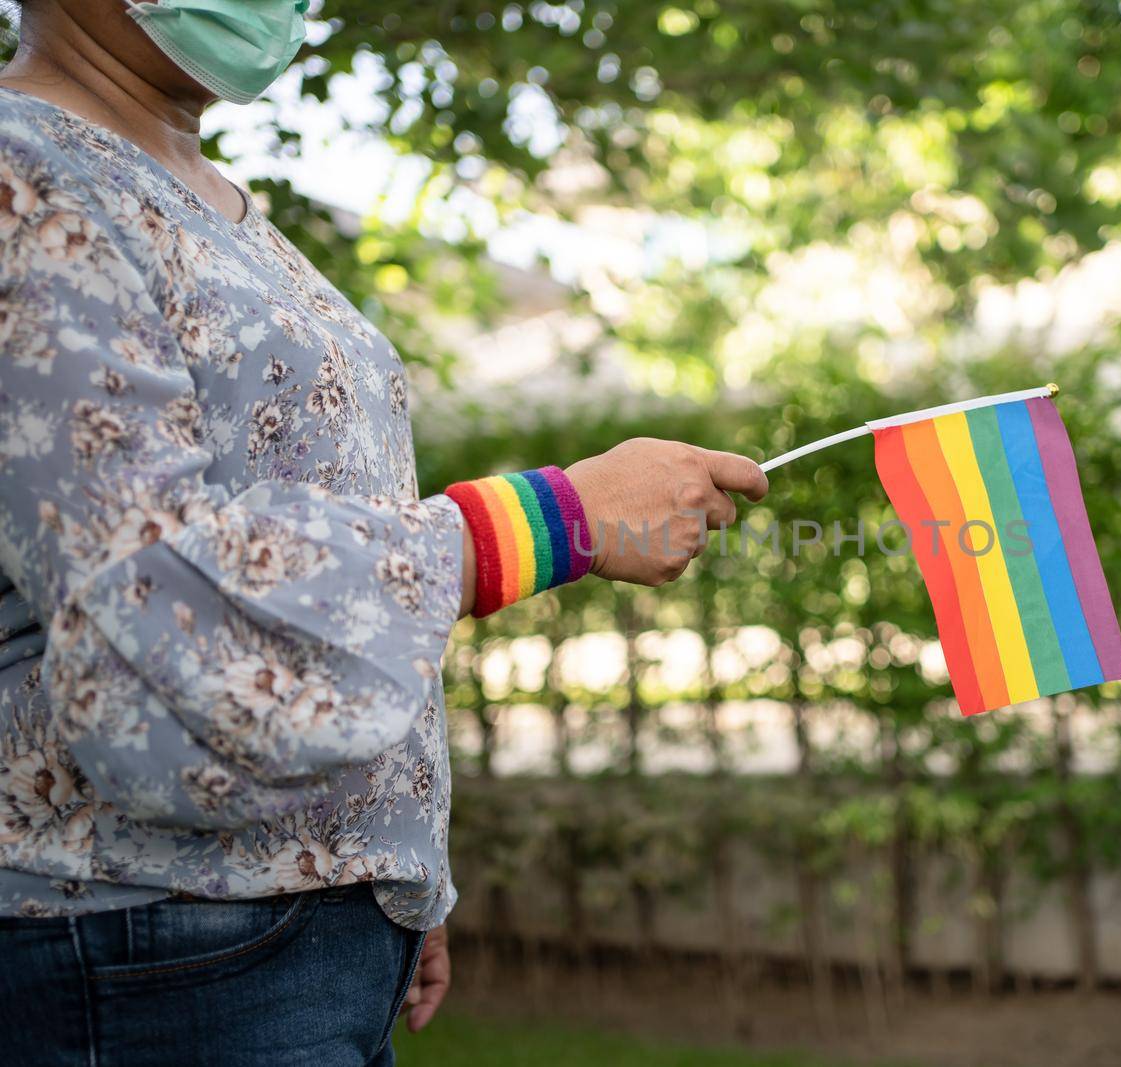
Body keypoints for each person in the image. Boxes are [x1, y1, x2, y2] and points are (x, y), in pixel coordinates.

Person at [0, 2, 769, 1063]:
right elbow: (152, 595)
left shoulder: (201, 195)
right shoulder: (25, 176)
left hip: (287, 925)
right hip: (149, 941)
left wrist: (385, 858)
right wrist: (552, 520)